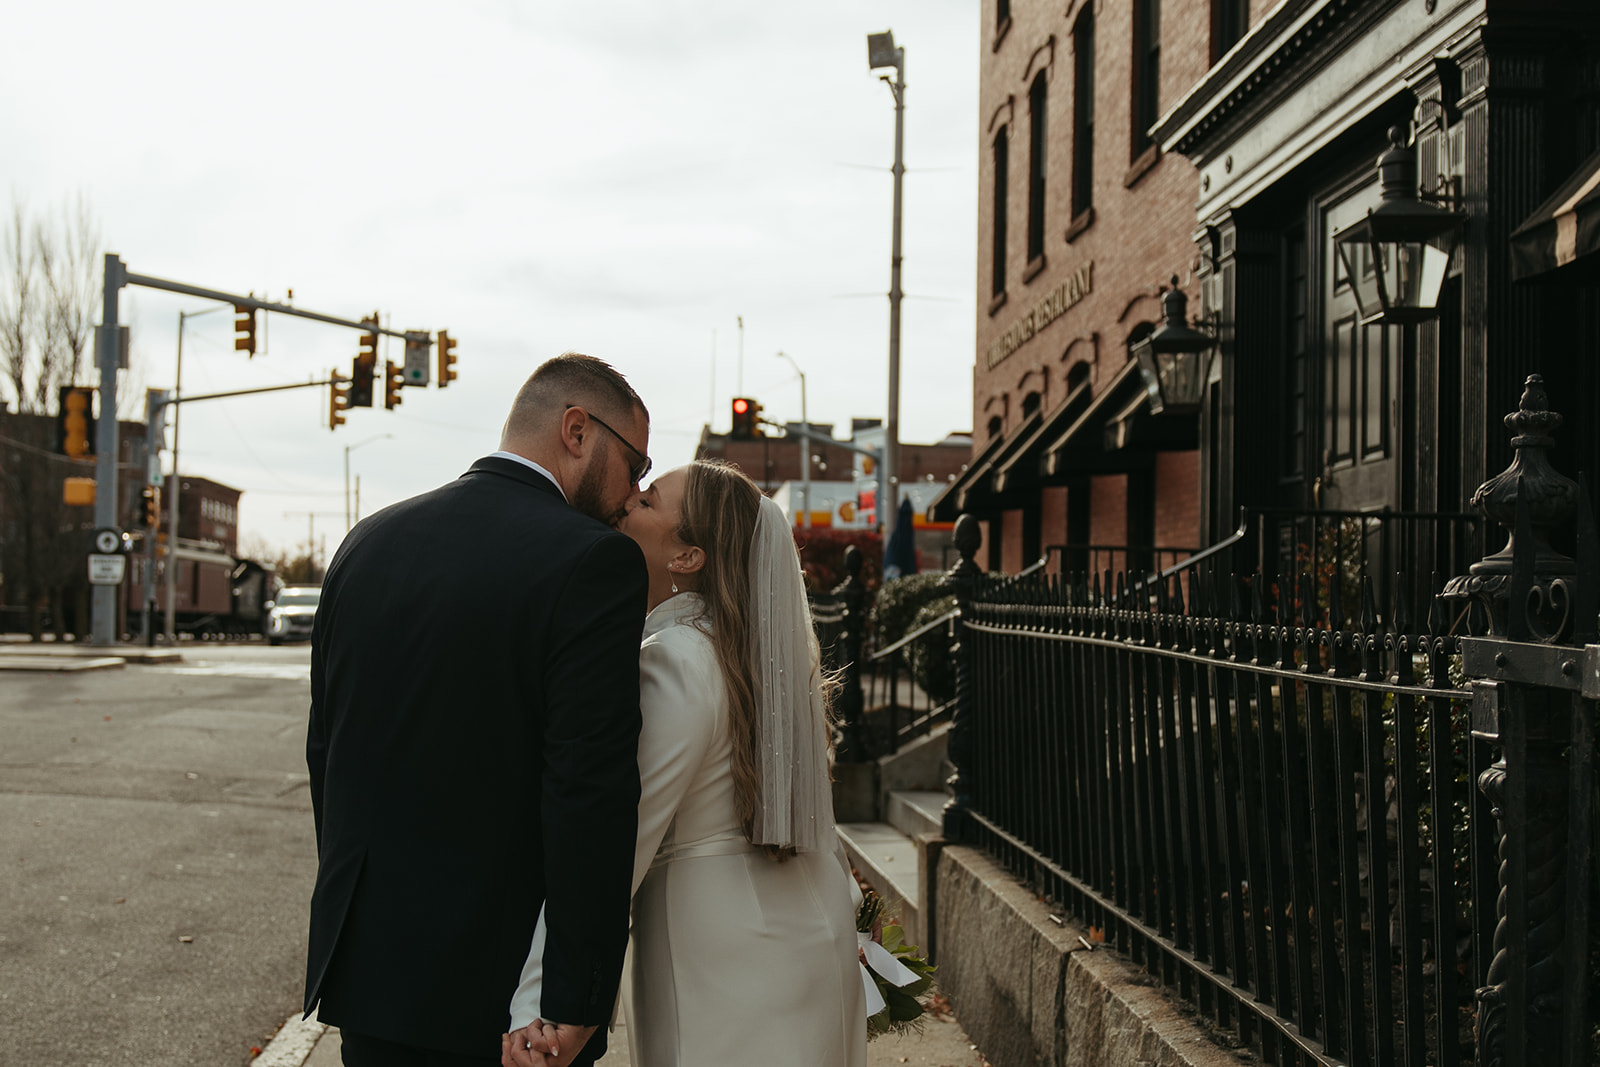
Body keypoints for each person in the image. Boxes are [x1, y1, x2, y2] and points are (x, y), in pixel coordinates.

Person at [305, 353, 653, 1067]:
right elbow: (588, 789)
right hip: (501, 1007)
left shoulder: (366, 541)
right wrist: (577, 996)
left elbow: (327, 754)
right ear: (578, 430)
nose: (633, 492)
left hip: (369, 979)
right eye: (637, 463)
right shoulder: (592, 561)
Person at [503, 460, 867, 1067]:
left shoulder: (676, 659)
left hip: (724, 956)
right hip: (812, 932)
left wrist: (543, 1003)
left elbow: (619, 836)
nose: (627, 504)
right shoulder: (760, 658)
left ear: (687, 557)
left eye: (647, 502)